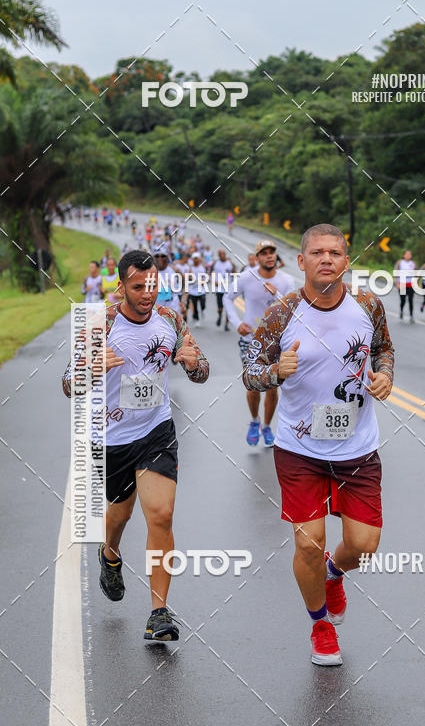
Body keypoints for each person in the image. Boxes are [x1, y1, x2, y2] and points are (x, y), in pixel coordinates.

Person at [242, 223, 394, 666]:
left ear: (346, 261)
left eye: (336, 253)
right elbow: (251, 372)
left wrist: (385, 375)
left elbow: (384, 348)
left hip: (357, 447)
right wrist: (276, 372)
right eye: (318, 253)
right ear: (301, 261)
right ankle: (321, 626)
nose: (327, 259)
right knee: (308, 543)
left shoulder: (368, 304)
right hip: (299, 448)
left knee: (363, 544)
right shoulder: (281, 313)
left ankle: (334, 573)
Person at [61, 249, 209, 641]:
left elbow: (202, 371)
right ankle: (110, 553)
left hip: (155, 430)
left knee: (160, 514)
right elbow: (67, 384)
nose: (147, 294)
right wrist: (90, 369)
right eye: (139, 286)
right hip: (110, 438)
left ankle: (159, 612)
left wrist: (193, 364)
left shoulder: (171, 319)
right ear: (122, 285)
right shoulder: (101, 323)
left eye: (153, 285)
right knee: (120, 516)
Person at [224, 240, 295, 447]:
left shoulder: (286, 280)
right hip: (251, 341)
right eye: (264, 253)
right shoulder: (246, 277)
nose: (269, 256)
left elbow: (291, 309)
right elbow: (228, 298)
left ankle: (266, 426)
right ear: (257, 258)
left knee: (272, 388)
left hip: (277, 342)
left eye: (272, 252)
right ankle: (254, 421)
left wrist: (277, 294)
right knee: (254, 386)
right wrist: (237, 323)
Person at [212, 248, 235, 331]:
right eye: (220, 254)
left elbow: (234, 274)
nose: (222, 256)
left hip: (228, 289)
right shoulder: (216, 264)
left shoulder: (229, 264)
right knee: (220, 308)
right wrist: (214, 281)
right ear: (218, 255)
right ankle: (220, 315)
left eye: (223, 254)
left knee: (228, 308)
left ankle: (226, 324)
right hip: (219, 289)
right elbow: (212, 273)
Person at [394, 249, 416, 322]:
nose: (408, 256)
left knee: (410, 300)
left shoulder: (413, 263)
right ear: (404, 255)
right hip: (402, 284)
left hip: (410, 284)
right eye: (407, 254)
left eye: (410, 254)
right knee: (403, 300)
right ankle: (401, 311)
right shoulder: (400, 262)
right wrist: (397, 283)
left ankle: (411, 315)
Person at [186, 251, 207, 322]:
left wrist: (202, 282)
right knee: (194, 307)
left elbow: (205, 279)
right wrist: (190, 278)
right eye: (194, 258)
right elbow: (188, 278)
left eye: (196, 258)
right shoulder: (190, 268)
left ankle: (203, 310)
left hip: (201, 290)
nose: (195, 260)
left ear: (199, 259)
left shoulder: (202, 268)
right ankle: (197, 319)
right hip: (192, 291)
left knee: (203, 304)